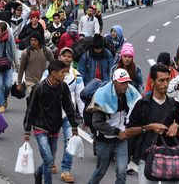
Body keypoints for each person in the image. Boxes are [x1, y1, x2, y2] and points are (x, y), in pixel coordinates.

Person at [125, 63, 179, 184]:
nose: (165, 84)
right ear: (152, 81)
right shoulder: (142, 104)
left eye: (167, 80)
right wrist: (150, 127)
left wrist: (176, 125)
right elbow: (128, 131)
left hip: (169, 157)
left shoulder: (174, 104)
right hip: (147, 158)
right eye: (161, 80)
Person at [23, 60, 79, 184]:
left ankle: (38, 172)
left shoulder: (63, 87)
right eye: (62, 72)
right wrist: (27, 129)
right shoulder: (38, 88)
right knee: (48, 159)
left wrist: (74, 126)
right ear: (53, 73)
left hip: (55, 128)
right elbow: (30, 109)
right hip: (40, 128)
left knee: (50, 158)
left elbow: (68, 107)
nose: (64, 74)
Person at [87, 68, 142, 184]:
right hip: (104, 140)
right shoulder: (102, 95)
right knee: (101, 171)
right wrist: (116, 131)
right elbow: (96, 123)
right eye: (122, 82)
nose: (125, 85)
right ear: (114, 81)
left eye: (127, 82)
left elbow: (138, 111)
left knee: (122, 171)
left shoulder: (131, 93)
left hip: (121, 140)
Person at [40, 48, 85, 183]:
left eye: (69, 56)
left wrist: (83, 116)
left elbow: (80, 97)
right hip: (50, 116)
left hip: (67, 115)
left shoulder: (77, 76)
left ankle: (66, 170)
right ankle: (51, 161)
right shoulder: (49, 73)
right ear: (59, 57)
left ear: (72, 59)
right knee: (51, 144)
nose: (66, 58)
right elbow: (40, 90)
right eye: (64, 55)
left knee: (69, 141)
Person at [0, 22, 18, 113]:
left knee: (8, 84)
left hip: (8, 63)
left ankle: (4, 97)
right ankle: (1, 104)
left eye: (0, 30)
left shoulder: (9, 37)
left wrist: (17, 64)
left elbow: (13, 50)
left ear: (5, 30)